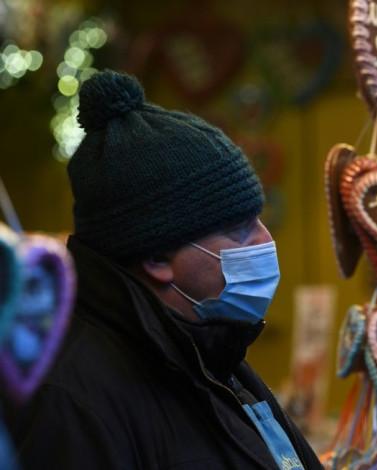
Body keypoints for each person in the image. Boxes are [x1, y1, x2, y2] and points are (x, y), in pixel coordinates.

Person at [3, 70, 323, 469]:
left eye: (257, 221)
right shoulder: (75, 401)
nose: (265, 241)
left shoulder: (210, 353)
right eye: (238, 231)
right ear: (157, 258)